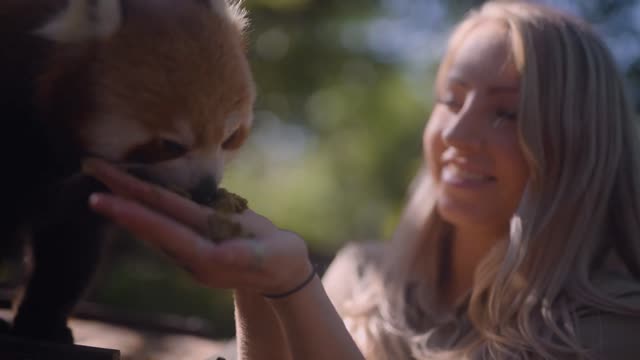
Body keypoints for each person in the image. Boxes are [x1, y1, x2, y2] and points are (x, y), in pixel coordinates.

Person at [82, 1, 640, 359]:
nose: (457, 133)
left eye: (507, 112)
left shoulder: (610, 332)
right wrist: (255, 282)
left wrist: (292, 288)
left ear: (578, 142)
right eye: (451, 99)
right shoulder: (362, 279)